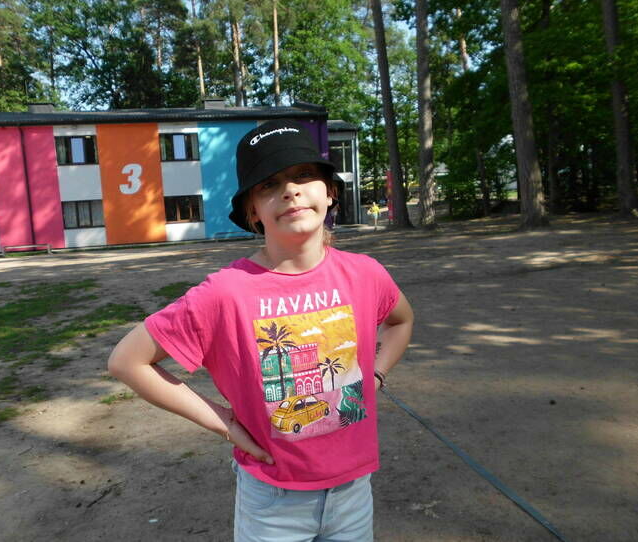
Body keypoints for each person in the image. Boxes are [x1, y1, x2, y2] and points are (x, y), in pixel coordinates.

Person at [107, 119, 414, 542]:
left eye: (303, 175)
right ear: (252, 210)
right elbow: (127, 361)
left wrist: (377, 373)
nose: (290, 190)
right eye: (269, 184)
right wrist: (226, 424)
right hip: (273, 500)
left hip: (353, 491)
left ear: (330, 191)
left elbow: (401, 320)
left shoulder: (366, 274)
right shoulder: (225, 292)